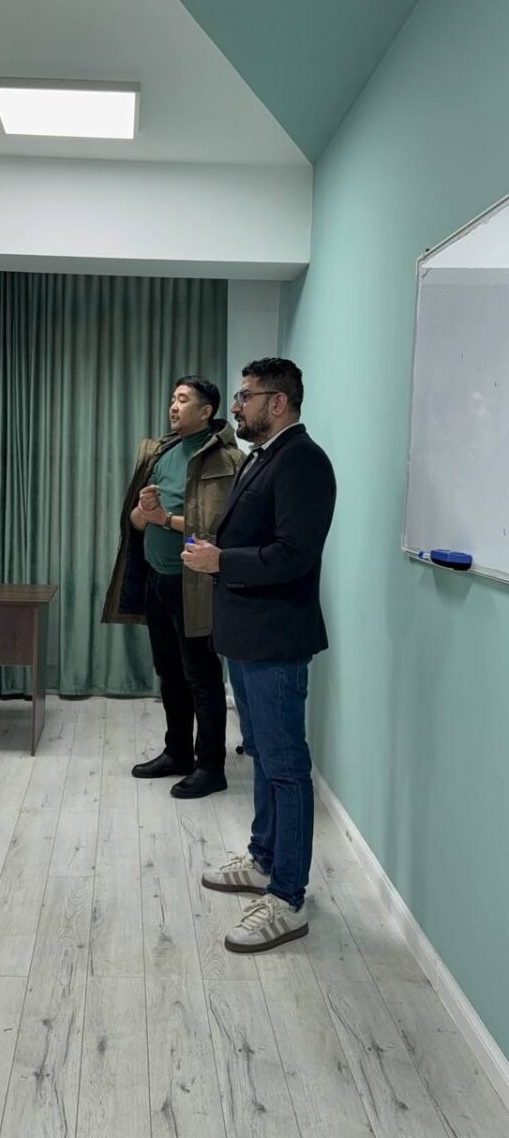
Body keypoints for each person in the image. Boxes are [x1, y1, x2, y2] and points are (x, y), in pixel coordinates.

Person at [181, 357, 336, 949]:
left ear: (278, 402)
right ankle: (264, 858)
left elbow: (294, 554)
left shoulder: (304, 461)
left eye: (245, 395)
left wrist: (222, 560)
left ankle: (288, 898)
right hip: (247, 635)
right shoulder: (261, 457)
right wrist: (216, 550)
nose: (235, 406)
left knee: (287, 767)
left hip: (276, 639)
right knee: (265, 759)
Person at [103, 376, 243, 798]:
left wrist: (164, 518)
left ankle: (211, 766)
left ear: (206, 411)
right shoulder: (161, 452)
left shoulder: (224, 460)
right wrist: (143, 514)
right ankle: (177, 752)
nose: (173, 406)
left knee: (201, 675)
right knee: (169, 673)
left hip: (194, 583)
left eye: (183, 400)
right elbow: (136, 519)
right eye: (172, 399)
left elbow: (218, 530)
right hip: (157, 579)